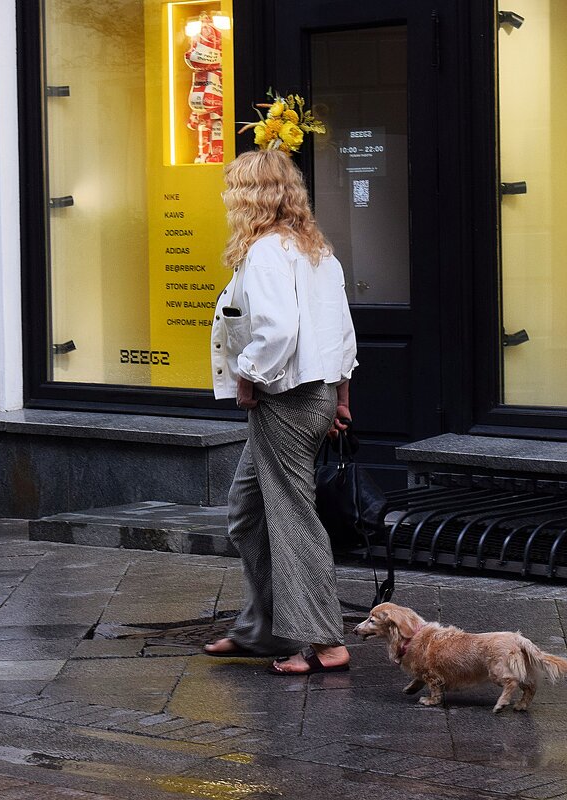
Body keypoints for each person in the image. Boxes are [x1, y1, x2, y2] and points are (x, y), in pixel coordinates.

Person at [203, 148, 358, 675]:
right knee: (247, 513)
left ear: (251, 195)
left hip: (285, 399)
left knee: (291, 517)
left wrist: (248, 376)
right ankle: (263, 628)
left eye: (232, 188)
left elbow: (279, 333)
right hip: (311, 395)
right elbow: (342, 332)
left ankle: (322, 640)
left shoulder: (267, 252)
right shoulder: (316, 251)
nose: (227, 197)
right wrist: (339, 398)